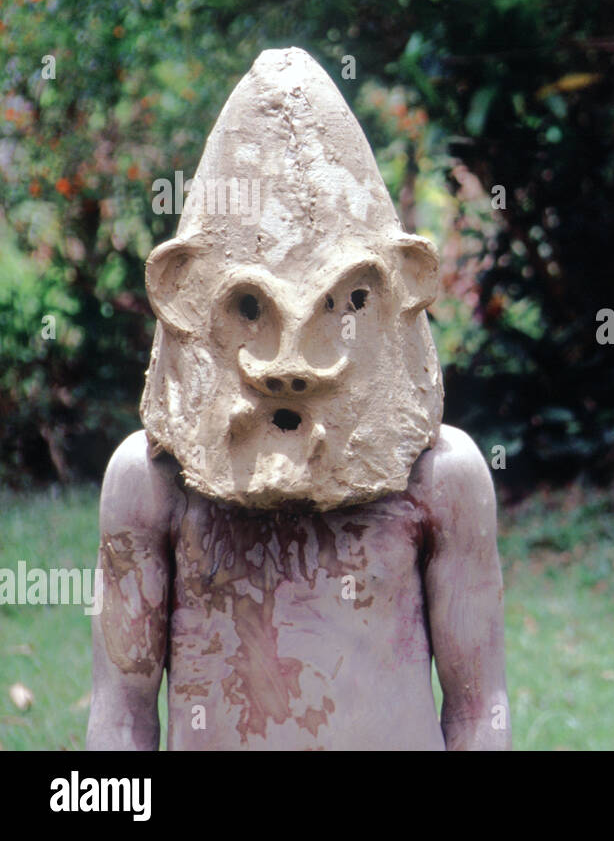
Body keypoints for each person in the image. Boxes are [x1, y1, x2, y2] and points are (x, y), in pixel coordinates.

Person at [87, 49, 508, 750]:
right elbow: (122, 713)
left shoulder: (442, 481)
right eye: (249, 307)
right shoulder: (151, 485)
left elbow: (479, 707)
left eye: (338, 307)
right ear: (184, 295)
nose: (289, 366)